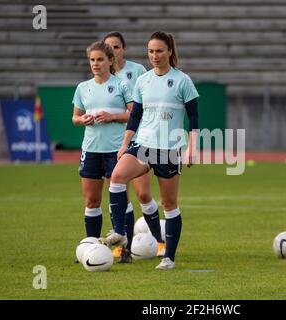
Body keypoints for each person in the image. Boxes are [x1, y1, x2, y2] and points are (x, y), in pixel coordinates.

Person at [100, 31, 199, 270]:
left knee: (169, 204)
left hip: (169, 148)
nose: (154, 56)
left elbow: (194, 118)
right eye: (151, 51)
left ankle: (169, 258)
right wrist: (125, 143)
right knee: (117, 178)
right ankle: (121, 232)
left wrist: (192, 149)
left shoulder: (183, 80)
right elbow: (135, 115)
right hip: (142, 144)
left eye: (159, 51)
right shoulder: (143, 80)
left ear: (170, 52)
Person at [102, 32, 166, 261]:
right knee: (119, 194)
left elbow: (140, 110)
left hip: (139, 140)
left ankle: (160, 243)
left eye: (116, 47)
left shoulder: (138, 71)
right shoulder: (101, 76)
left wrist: (113, 116)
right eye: (108, 47)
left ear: (124, 48)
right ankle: (123, 249)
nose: (112, 51)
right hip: (111, 143)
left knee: (143, 193)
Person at [71, 41, 133, 260]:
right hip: (91, 149)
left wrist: (112, 116)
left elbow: (134, 115)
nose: (95, 64)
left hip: (116, 150)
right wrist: (83, 120)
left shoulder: (122, 85)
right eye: (92, 60)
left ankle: (125, 248)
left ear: (110, 61)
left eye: (100, 59)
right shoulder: (83, 88)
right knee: (92, 201)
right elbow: (75, 118)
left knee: (119, 199)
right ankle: (92, 248)